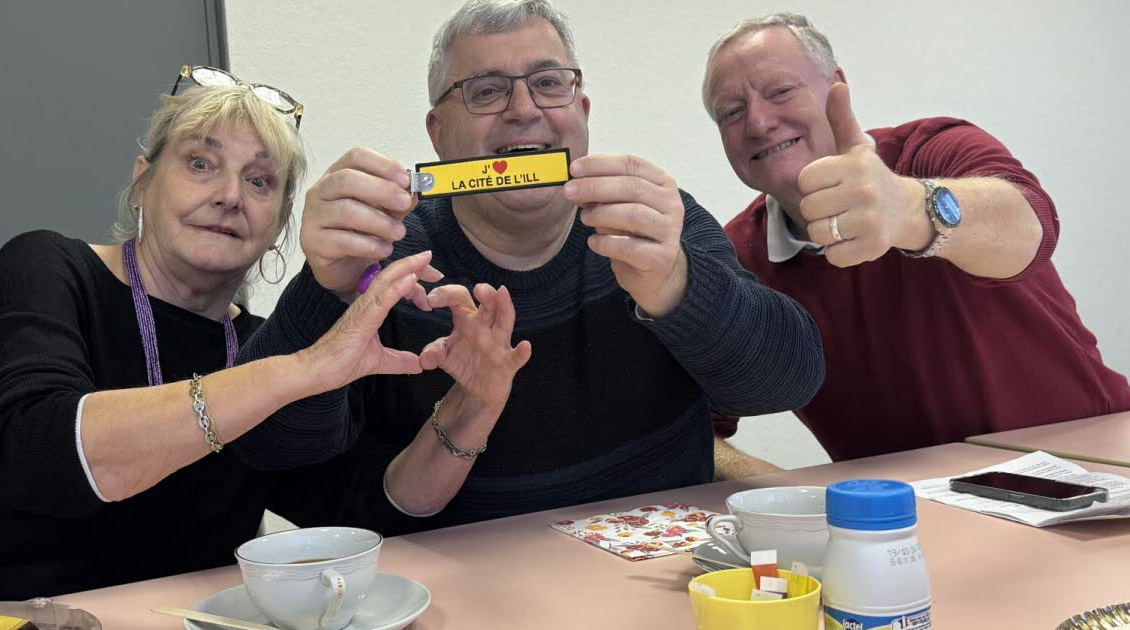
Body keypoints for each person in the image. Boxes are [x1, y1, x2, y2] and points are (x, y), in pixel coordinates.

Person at [233, 0, 824, 535]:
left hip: (669, 575)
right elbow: (271, 450)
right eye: (486, 92)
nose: (524, 110)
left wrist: (676, 288)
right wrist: (325, 290)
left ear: (582, 112)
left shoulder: (653, 226)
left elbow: (786, 381)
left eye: (548, 84)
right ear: (438, 134)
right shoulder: (381, 259)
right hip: (460, 592)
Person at [0, 68, 440, 602]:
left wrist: (475, 404)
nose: (229, 196)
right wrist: (300, 369)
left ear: (280, 222)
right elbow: (38, 456)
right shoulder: (48, 269)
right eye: (201, 163)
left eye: (260, 180)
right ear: (142, 182)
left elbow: (357, 505)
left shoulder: (260, 345)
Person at [702, 13, 1130, 461]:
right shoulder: (735, 261)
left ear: (835, 89)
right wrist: (790, 499)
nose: (758, 122)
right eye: (732, 111)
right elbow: (691, 429)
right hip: (914, 516)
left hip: (1092, 466)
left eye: (780, 91)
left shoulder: (934, 148)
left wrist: (910, 207)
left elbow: (1030, 228)